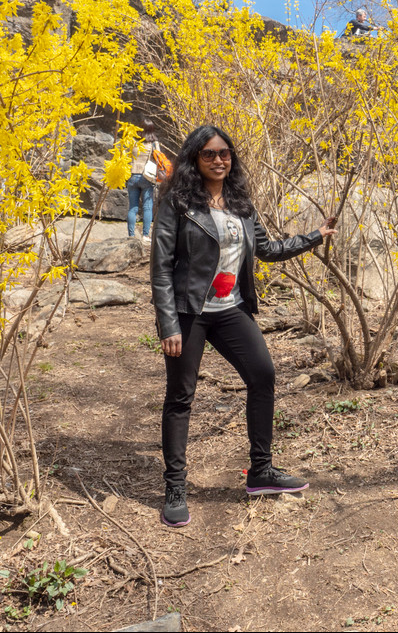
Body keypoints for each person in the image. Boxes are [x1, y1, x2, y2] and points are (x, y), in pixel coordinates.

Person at [151, 125, 337, 527]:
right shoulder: (178, 203)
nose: (219, 160)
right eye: (209, 154)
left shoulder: (240, 203)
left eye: (225, 153)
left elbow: (267, 250)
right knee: (181, 396)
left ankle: (261, 471)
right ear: (194, 159)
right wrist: (169, 325)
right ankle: (175, 487)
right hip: (189, 312)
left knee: (263, 374)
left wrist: (314, 237)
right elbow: (162, 269)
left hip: (230, 308)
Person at [127, 120, 161, 242]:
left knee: (133, 207)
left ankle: (131, 236)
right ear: (151, 129)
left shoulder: (132, 142)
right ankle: (145, 236)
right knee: (147, 207)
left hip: (132, 175)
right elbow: (159, 158)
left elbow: (125, 156)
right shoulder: (153, 143)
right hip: (147, 176)